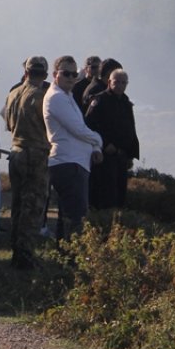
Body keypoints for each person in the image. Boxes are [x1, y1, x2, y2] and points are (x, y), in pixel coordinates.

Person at [44, 56, 103, 239]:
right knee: (76, 217)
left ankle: (65, 257)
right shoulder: (56, 98)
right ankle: (70, 259)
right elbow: (78, 129)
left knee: (69, 216)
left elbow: (79, 128)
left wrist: (94, 146)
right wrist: (98, 140)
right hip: (68, 163)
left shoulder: (66, 96)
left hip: (74, 162)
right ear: (55, 75)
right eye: (65, 73)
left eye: (73, 73)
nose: (70, 77)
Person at [3, 56, 51, 269]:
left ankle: (16, 249)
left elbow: (8, 124)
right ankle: (25, 256)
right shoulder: (41, 97)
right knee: (33, 207)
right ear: (45, 74)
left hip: (15, 151)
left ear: (27, 72)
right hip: (35, 153)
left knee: (18, 204)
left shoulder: (13, 93)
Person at [84, 68, 139, 210]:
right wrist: (105, 144)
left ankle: (116, 226)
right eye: (116, 82)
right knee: (105, 194)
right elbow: (89, 124)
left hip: (122, 155)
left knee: (120, 195)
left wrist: (131, 152)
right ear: (109, 82)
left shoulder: (126, 103)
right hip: (105, 156)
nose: (120, 85)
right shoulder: (100, 100)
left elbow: (130, 128)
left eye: (123, 82)